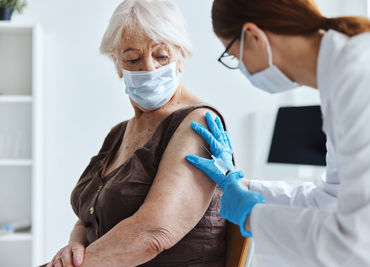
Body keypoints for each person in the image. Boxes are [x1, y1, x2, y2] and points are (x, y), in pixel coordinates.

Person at [186, 0, 370, 266]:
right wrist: (238, 183)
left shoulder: (364, 77)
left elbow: (358, 244)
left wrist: (253, 215)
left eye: (233, 55)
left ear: (253, 36)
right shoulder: (343, 78)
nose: (241, 67)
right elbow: (329, 199)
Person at [43, 0, 230, 266]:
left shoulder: (197, 123)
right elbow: (88, 218)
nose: (149, 68)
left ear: (181, 58)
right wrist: (75, 247)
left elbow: (153, 234)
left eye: (161, 56)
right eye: (133, 58)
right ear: (117, 64)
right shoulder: (118, 134)